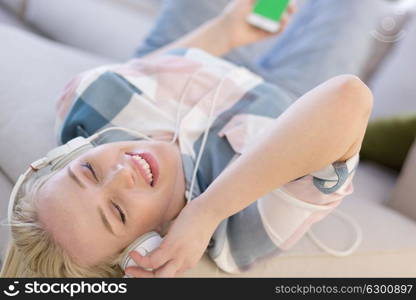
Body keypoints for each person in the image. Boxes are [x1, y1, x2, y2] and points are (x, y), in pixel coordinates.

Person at [1, 0, 381, 278]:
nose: (119, 172)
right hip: (295, 100)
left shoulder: (89, 112)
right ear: (144, 249)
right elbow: (348, 98)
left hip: (185, 65)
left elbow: (147, 69)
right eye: (118, 212)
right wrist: (207, 211)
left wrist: (225, 31)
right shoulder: (240, 231)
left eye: (87, 171)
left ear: (71, 153)